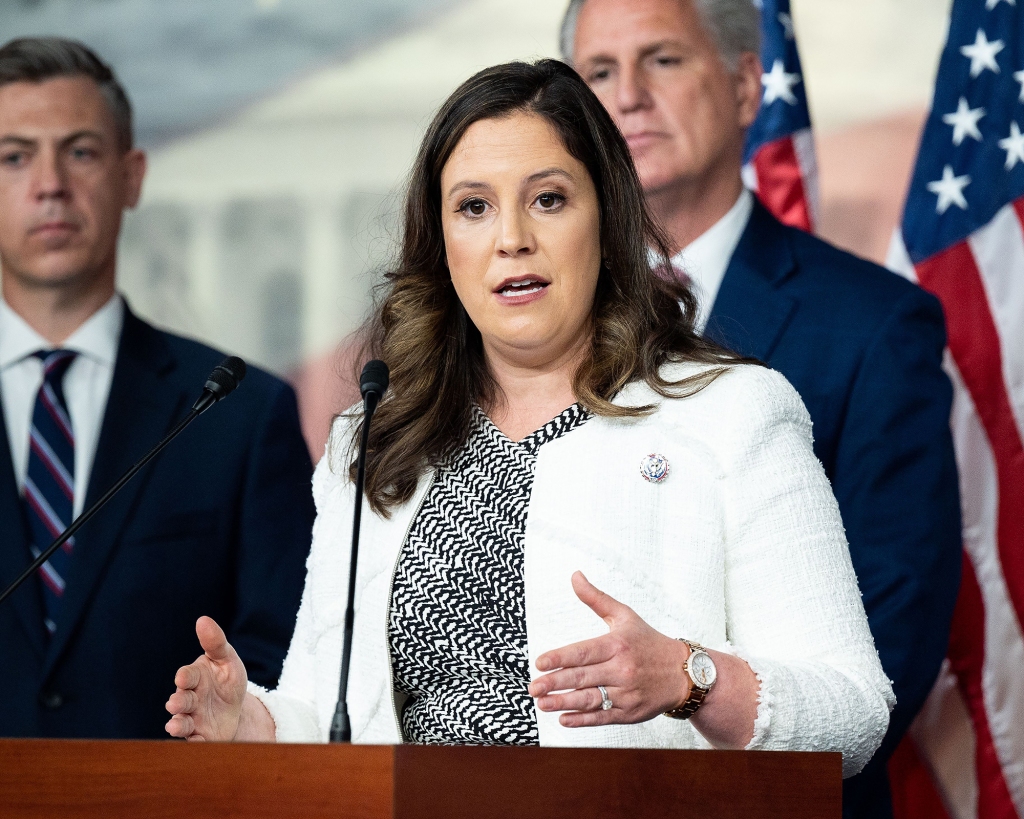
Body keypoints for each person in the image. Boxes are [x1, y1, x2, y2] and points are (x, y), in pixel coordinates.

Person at [166, 59, 893, 776]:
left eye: (548, 199)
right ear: (442, 242)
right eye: (474, 207)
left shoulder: (732, 413)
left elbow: (854, 710)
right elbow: (332, 714)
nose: (510, 236)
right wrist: (253, 723)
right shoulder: (373, 440)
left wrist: (688, 677)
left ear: (607, 222)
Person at [560, 1, 962, 815]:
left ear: (747, 86)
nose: (627, 96)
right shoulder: (533, 327)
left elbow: (888, 647)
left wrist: (683, 699)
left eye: (663, 60)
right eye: (599, 73)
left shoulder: (874, 326)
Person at [0, 37, 315, 738]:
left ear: (132, 175)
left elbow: (289, 656)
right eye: (14, 156)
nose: (49, 183)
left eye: (79, 151)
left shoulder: (239, 413)